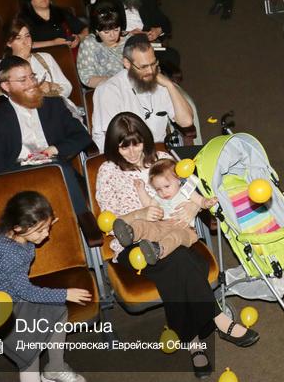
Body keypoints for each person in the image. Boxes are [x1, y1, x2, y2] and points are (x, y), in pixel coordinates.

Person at [95, 113, 258, 376]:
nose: (132, 152)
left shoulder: (162, 158)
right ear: (115, 147)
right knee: (184, 262)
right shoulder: (107, 171)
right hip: (134, 241)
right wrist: (140, 214)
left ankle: (193, 342)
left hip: (173, 231)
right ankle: (216, 319)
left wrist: (194, 206)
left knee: (179, 262)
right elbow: (109, 221)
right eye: (124, 146)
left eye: (137, 143)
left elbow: (193, 189)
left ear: (146, 139)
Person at [0, 191, 92, 382]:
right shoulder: (10, 254)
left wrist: (44, 223)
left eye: (48, 227)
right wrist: (65, 293)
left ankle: (55, 368)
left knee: (58, 312)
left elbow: (20, 290)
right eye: (40, 231)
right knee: (29, 350)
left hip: (13, 298)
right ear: (18, 228)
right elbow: (26, 291)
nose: (46, 234)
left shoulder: (16, 234)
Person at [0, 56, 93, 212]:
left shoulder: (54, 105)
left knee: (60, 170)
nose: (32, 83)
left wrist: (53, 149)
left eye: (32, 77)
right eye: (23, 80)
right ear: (6, 86)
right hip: (19, 173)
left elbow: (82, 136)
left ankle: (83, 219)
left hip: (56, 167)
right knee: (59, 171)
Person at [91, 34, 193, 149]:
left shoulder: (161, 83)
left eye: (153, 64)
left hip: (157, 151)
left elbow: (186, 122)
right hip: (124, 152)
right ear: (127, 63)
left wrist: (170, 85)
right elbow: (115, 141)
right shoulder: (109, 91)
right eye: (143, 67)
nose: (150, 71)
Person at [110, 158, 217, 265]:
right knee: (142, 224)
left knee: (176, 237)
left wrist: (207, 202)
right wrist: (141, 190)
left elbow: (200, 201)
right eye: (158, 189)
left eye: (166, 186)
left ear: (178, 180)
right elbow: (148, 205)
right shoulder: (159, 197)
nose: (163, 192)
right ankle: (130, 233)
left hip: (185, 229)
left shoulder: (186, 190)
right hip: (162, 226)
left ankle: (158, 250)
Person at [0, 18, 72, 98]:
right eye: (18, 38)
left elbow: (68, 87)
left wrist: (51, 86)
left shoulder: (45, 57)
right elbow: (8, 95)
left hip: (54, 103)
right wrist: (37, 90)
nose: (25, 42)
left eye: (27, 36)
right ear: (9, 43)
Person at [20, 0, 88, 50]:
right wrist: (53, 43)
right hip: (42, 55)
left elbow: (85, 29)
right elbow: (22, 44)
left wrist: (79, 37)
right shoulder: (23, 19)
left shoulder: (60, 12)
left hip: (68, 53)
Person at [77, 6, 126, 88]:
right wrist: (115, 83)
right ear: (97, 31)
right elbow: (87, 77)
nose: (112, 35)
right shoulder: (89, 44)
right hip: (107, 88)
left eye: (116, 30)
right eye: (106, 32)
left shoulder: (129, 40)